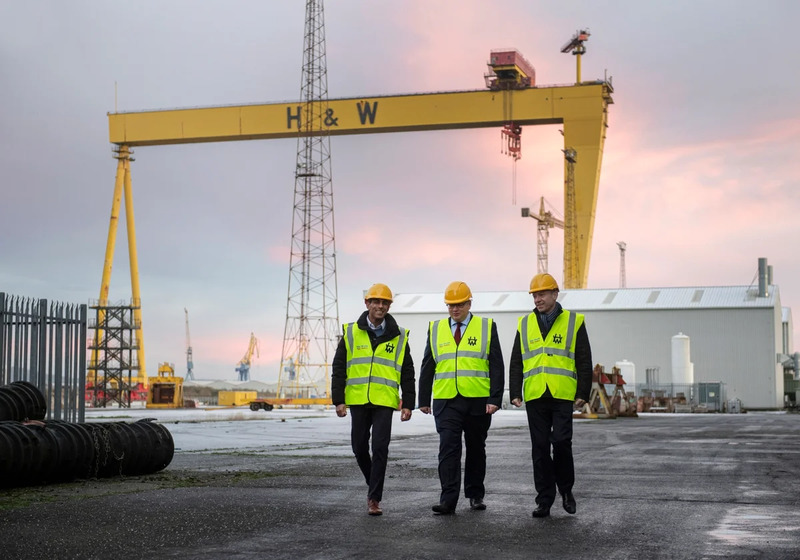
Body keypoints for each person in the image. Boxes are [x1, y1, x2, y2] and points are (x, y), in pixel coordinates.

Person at [509, 273, 592, 518]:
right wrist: (515, 391)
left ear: (555, 294)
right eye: (535, 295)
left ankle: (566, 490)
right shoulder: (524, 324)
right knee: (540, 448)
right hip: (535, 394)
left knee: (562, 443)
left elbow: (584, 359)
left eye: (542, 294)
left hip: (562, 394)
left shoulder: (574, 321)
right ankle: (544, 500)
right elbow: (516, 361)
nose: (538, 299)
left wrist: (583, 392)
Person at [418, 281, 504, 515]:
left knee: (476, 448)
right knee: (448, 449)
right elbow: (428, 364)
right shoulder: (436, 328)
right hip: (446, 400)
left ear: (469, 303)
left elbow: (496, 364)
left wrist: (495, 398)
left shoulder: (486, 326)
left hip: (478, 400)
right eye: (450, 305)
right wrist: (423, 398)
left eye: (459, 305)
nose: (455, 309)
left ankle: (475, 494)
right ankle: (448, 500)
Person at [331, 283, 416, 516]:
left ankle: (374, 498)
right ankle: (373, 484)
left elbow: (407, 372)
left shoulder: (399, 336)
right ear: (367, 303)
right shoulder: (351, 333)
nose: (380, 306)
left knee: (379, 447)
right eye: (376, 301)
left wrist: (408, 403)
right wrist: (338, 399)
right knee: (358, 447)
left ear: (389, 305)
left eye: (384, 302)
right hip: (357, 400)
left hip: (384, 402)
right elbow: (339, 368)